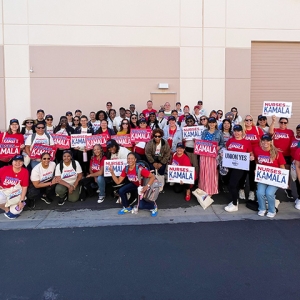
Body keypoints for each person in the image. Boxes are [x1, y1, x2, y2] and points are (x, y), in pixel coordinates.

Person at [109, 152, 157, 216]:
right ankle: (127, 207)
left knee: (141, 206)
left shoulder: (140, 169)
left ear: (135, 160)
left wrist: (146, 186)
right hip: (135, 184)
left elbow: (152, 177)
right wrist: (112, 173)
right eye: (128, 158)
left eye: (132, 158)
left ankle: (153, 206)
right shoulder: (126, 169)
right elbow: (118, 181)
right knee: (121, 190)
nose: (130, 160)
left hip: (143, 185)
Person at [254, 134, 286, 218]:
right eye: (263, 140)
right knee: (260, 192)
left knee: (269, 193)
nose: (265, 142)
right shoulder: (257, 150)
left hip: (274, 178)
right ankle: (262, 208)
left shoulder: (277, 152)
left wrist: (283, 181)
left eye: (267, 140)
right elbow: (257, 161)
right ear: (260, 142)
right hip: (263, 177)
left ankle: (272, 210)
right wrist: (257, 170)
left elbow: (282, 167)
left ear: (271, 142)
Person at [224, 125, 253, 212]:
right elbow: (226, 150)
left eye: (238, 131)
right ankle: (235, 199)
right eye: (235, 131)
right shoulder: (230, 140)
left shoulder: (246, 142)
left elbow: (251, 153)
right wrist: (223, 153)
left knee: (232, 184)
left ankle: (235, 204)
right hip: (230, 165)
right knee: (231, 184)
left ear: (242, 132)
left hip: (240, 167)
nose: (237, 133)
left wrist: (252, 157)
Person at [238, 115, 264, 201]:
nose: (248, 122)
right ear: (244, 121)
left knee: (253, 174)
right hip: (244, 156)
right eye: (246, 120)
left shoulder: (257, 129)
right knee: (242, 174)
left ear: (252, 120)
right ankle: (241, 189)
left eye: (250, 120)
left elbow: (263, 141)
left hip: (255, 156)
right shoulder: (242, 130)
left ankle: (252, 191)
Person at [269, 115, 294, 199]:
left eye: (285, 122)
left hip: (287, 154)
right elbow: (270, 132)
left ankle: (288, 188)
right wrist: (273, 121)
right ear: (279, 123)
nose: (283, 124)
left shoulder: (290, 132)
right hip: (276, 154)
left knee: (286, 172)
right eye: (281, 122)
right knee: (275, 171)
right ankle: (273, 190)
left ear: (287, 124)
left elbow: (293, 142)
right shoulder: (276, 130)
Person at [198, 117, 224, 196]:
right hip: (204, 155)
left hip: (213, 156)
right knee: (203, 172)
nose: (212, 124)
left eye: (213, 122)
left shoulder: (219, 132)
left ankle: (211, 190)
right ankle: (203, 189)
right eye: (210, 122)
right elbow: (201, 142)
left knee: (212, 173)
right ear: (208, 123)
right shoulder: (205, 132)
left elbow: (222, 143)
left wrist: (219, 147)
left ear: (216, 123)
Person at [0, 154, 29, 219]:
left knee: (16, 211)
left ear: (23, 162)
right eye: (16, 161)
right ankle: (6, 210)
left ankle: (10, 205)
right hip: (4, 191)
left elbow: (24, 187)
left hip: (16, 194)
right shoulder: (5, 169)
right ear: (12, 162)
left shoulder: (25, 171)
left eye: (20, 161)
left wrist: (21, 201)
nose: (18, 163)